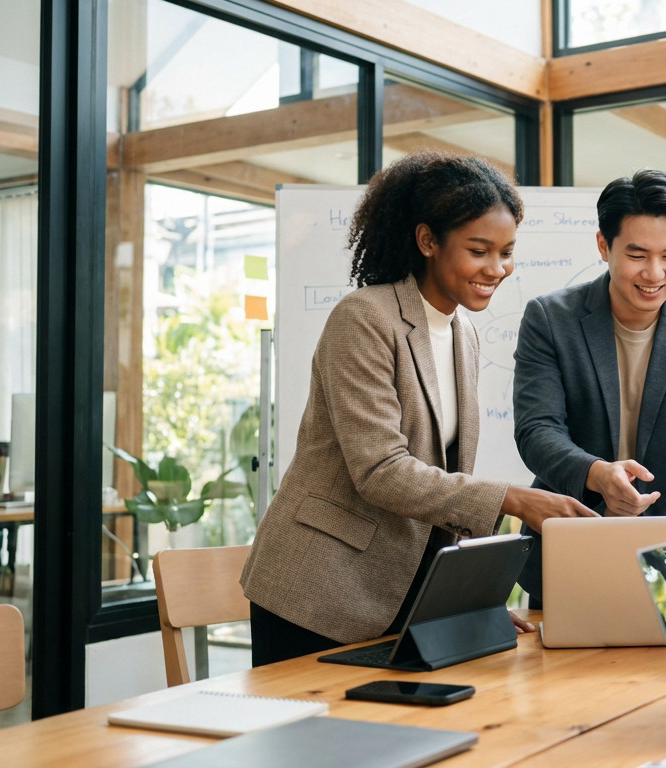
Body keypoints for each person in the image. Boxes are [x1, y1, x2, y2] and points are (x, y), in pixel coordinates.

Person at [240, 151, 596, 666]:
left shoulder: (463, 334)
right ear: (428, 241)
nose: (496, 269)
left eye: (506, 252)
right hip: (315, 595)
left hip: (400, 594)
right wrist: (514, 499)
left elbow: (439, 487)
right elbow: (382, 472)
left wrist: (469, 601)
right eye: (479, 250)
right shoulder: (364, 318)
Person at [511, 169, 666, 606]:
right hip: (567, 548)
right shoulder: (550, 320)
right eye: (637, 255)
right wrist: (597, 474)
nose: (654, 273)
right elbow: (537, 430)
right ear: (603, 246)